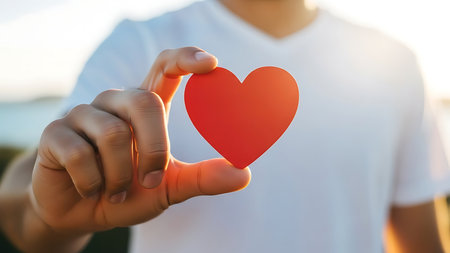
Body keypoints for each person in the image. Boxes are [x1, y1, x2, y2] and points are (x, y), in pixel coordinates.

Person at [1, 0, 449, 252]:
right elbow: (34, 183)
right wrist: (45, 210)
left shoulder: (391, 63)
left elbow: (419, 236)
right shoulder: (141, 44)